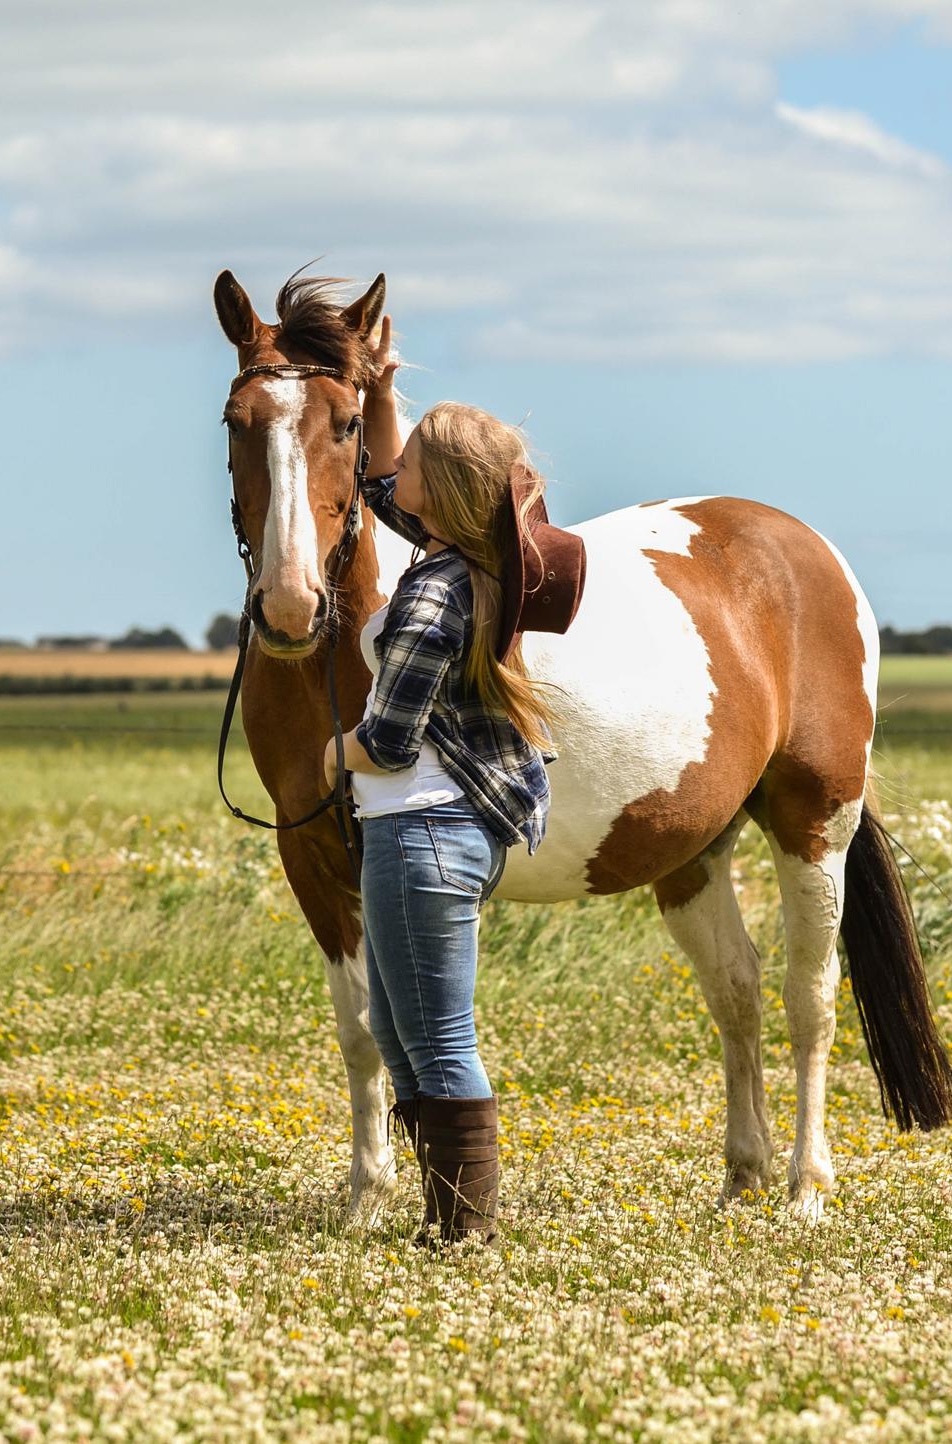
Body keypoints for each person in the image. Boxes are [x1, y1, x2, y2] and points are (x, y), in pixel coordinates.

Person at [322, 317, 560, 1247]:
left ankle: (464, 1233)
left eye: (413, 455)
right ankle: (446, 1217)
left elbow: (386, 741)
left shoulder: (429, 594)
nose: (393, 469)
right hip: (429, 831)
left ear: (445, 487)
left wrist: (329, 755)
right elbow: (383, 487)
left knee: (439, 1040)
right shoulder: (468, 560)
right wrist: (381, 393)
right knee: (401, 1030)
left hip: (422, 829)